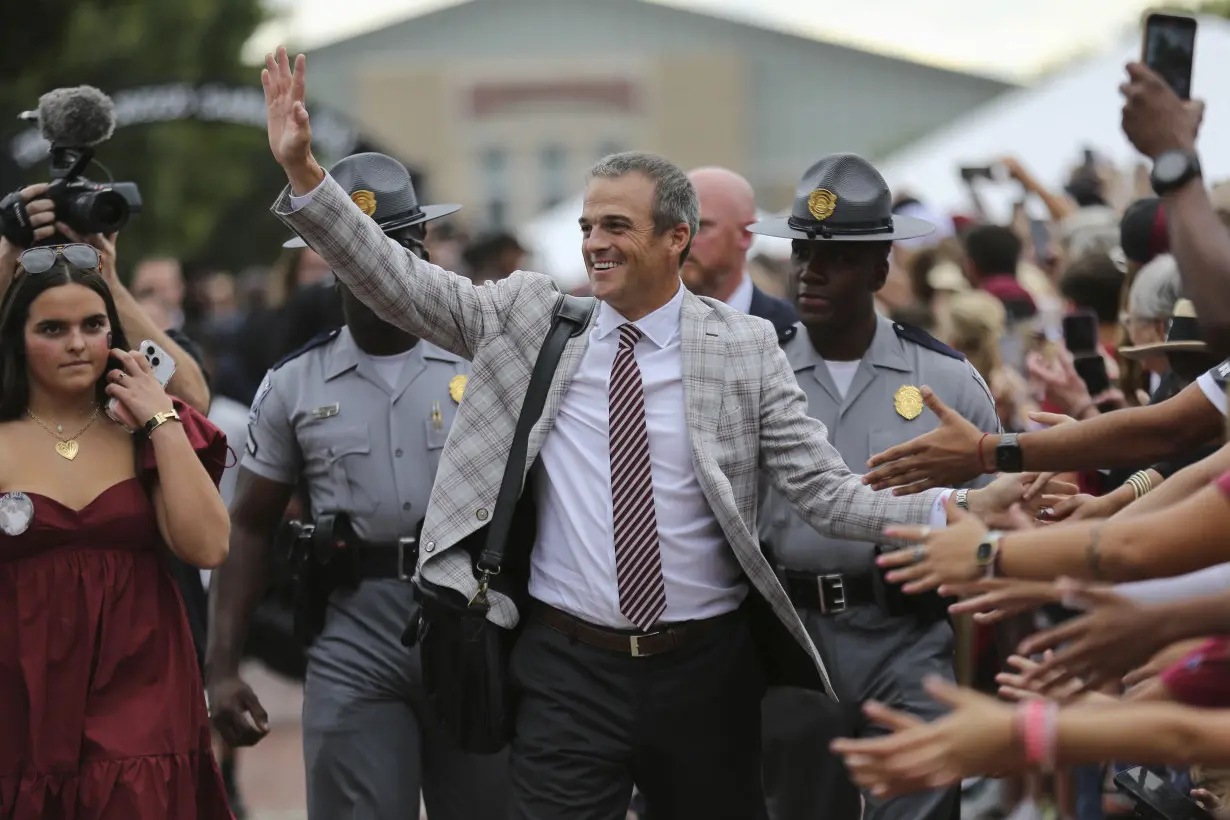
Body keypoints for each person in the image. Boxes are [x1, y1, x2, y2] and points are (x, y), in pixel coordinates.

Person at [260, 46, 961, 819]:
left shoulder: (745, 345)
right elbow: (399, 281)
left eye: (617, 226)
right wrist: (305, 178)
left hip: (707, 668)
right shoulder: (531, 320)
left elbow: (822, 493)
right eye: (589, 224)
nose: (594, 242)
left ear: (677, 238)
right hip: (565, 670)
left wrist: (947, 512)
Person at [205, 152, 508, 820]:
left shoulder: (483, 362)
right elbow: (250, 524)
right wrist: (222, 667)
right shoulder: (293, 382)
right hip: (353, 625)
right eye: (353, 247)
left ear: (420, 251)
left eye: (392, 248)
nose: (375, 266)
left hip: (475, 623)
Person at [748, 154, 1002, 820]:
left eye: (835, 257)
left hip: (906, 634)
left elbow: (998, 517)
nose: (810, 271)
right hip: (791, 641)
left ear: (881, 269)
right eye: (803, 253)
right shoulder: (755, 370)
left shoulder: (944, 380)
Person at [0, 242, 233, 816]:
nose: (78, 343)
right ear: (16, 338)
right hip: (21, 695)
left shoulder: (145, 427)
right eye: (52, 328)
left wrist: (161, 418)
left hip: (142, 683)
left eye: (94, 324)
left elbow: (208, 545)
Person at [682, 166, 797, 336]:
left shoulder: (793, 330)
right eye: (676, 228)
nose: (683, 240)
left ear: (745, 235)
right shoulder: (643, 327)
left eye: (701, 226)